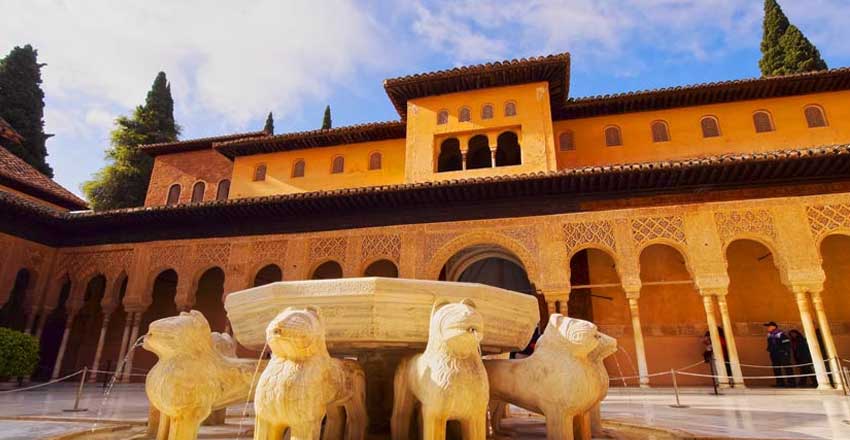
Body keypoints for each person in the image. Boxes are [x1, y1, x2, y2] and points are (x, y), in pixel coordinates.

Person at [765, 321, 795, 387]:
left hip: (782, 353)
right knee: (776, 368)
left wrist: (785, 352)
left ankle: (791, 383)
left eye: (769, 326)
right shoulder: (769, 335)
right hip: (774, 354)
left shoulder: (781, 334)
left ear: (773, 327)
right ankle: (780, 383)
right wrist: (769, 349)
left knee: (787, 368)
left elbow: (787, 343)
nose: (768, 328)